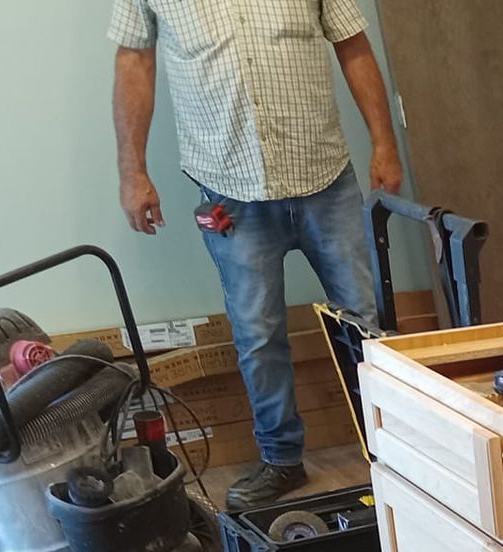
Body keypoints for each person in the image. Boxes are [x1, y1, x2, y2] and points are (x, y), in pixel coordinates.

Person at [110, 0, 402, 512]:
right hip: (228, 189)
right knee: (258, 334)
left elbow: (352, 43)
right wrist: (132, 173)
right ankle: (282, 459)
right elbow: (135, 61)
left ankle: (399, 450)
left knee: (366, 322)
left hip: (325, 175)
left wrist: (384, 144)